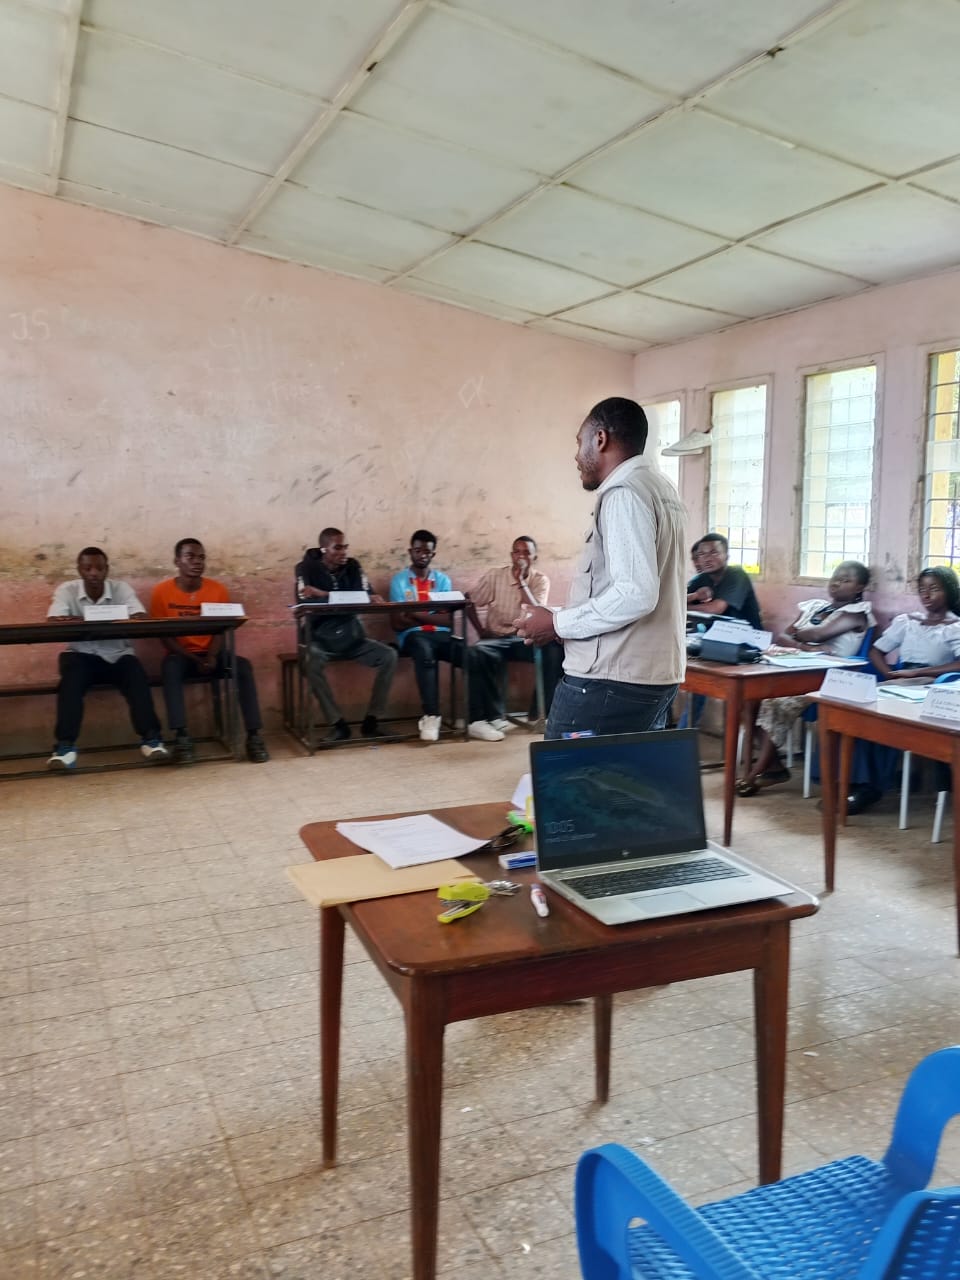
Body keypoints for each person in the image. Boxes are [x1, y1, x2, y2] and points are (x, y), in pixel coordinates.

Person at [517, 397, 686, 738]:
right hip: (650, 674)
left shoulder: (623, 493)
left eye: (580, 442)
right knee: (621, 786)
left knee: (568, 785)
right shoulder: (661, 488)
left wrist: (558, 623)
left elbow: (635, 593)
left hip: (610, 679)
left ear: (600, 439)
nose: (576, 456)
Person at [735, 561, 875, 796]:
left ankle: (754, 773)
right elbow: (785, 635)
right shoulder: (816, 606)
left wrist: (801, 640)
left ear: (859, 587)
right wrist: (807, 647)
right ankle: (775, 766)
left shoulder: (857, 613)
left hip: (832, 677)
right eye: (835, 577)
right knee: (748, 698)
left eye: (846, 580)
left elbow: (817, 633)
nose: (837, 583)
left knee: (776, 702)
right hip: (796, 668)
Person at [46, 546, 168, 770]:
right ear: (79, 570)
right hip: (81, 655)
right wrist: (96, 619)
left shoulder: (121, 589)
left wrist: (81, 620)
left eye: (99, 568)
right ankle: (65, 749)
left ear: (107, 570)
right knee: (70, 681)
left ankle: (152, 741)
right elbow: (55, 620)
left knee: (136, 675)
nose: (94, 573)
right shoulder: (67, 590)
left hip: (118, 655)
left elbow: (139, 617)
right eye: (88, 568)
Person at [149, 539, 269, 763]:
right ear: (177, 561)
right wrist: (194, 658)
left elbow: (221, 631)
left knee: (242, 666)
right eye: (190, 556)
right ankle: (182, 737)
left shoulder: (217, 590)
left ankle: (254, 736)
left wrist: (212, 656)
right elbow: (165, 637)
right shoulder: (161, 592)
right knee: (170, 667)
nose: (197, 562)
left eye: (201, 557)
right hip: (182, 656)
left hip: (212, 654)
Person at [389, 530, 504, 742]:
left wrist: (413, 612)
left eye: (427, 551)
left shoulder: (442, 580)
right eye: (418, 550)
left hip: (442, 636)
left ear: (433, 554)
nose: (422, 555)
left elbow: (449, 621)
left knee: (474, 655)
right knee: (424, 652)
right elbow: (397, 623)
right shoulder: (399, 581)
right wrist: (430, 615)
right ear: (410, 552)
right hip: (412, 638)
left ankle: (475, 721)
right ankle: (432, 716)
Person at [295, 528, 398, 741]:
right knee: (310, 660)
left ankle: (372, 721)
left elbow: (366, 595)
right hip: (320, 639)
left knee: (388, 655)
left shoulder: (353, 566)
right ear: (324, 549)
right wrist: (346, 599)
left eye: (345, 547)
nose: (343, 552)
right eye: (337, 548)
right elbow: (305, 601)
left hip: (352, 637)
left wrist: (325, 594)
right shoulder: (304, 568)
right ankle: (338, 724)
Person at [468, 536, 564, 727]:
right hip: (495, 638)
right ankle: (494, 716)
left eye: (527, 553)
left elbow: (536, 610)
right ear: (511, 555)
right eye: (517, 552)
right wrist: (480, 630)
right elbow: (469, 601)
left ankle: (539, 714)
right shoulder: (495, 576)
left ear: (534, 557)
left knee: (555, 649)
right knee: (477, 652)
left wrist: (521, 581)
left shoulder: (540, 580)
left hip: (523, 640)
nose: (521, 556)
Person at [686, 533, 763, 629]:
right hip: (714, 635)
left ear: (727, 556)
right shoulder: (702, 578)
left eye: (714, 553)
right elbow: (678, 601)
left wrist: (684, 608)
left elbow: (716, 608)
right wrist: (695, 596)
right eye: (701, 554)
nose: (707, 559)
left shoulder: (737, 574)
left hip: (748, 637)